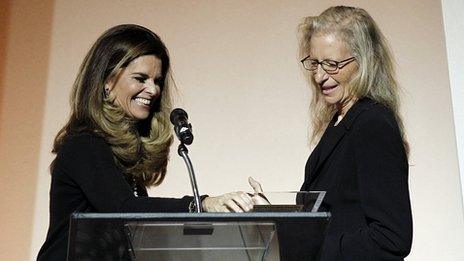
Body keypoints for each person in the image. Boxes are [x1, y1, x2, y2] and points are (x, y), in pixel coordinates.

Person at [37, 24, 254, 261]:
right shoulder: (84, 145)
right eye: (140, 78)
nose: (152, 90)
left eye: (157, 81)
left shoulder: (121, 155)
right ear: (106, 82)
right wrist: (201, 205)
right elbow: (125, 210)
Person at [254, 6, 413, 260]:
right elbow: (334, 215)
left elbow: (391, 238)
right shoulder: (341, 120)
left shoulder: (373, 123)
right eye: (314, 63)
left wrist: (310, 248)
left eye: (332, 64)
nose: (319, 76)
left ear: (364, 62)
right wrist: (273, 216)